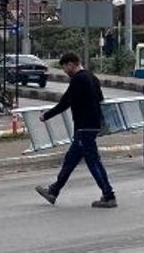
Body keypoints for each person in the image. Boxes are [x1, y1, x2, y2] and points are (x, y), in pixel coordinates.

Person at [34, 52, 117, 209]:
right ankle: (53, 191)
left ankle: (109, 195)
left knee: (93, 161)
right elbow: (101, 100)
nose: (65, 71)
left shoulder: (78, 80)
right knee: (70, 160)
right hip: (91, 126)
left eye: (65, 67)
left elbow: (65, 103)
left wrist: (46, 116)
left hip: (84, 127)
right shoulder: (92, 78)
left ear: (71, 64)